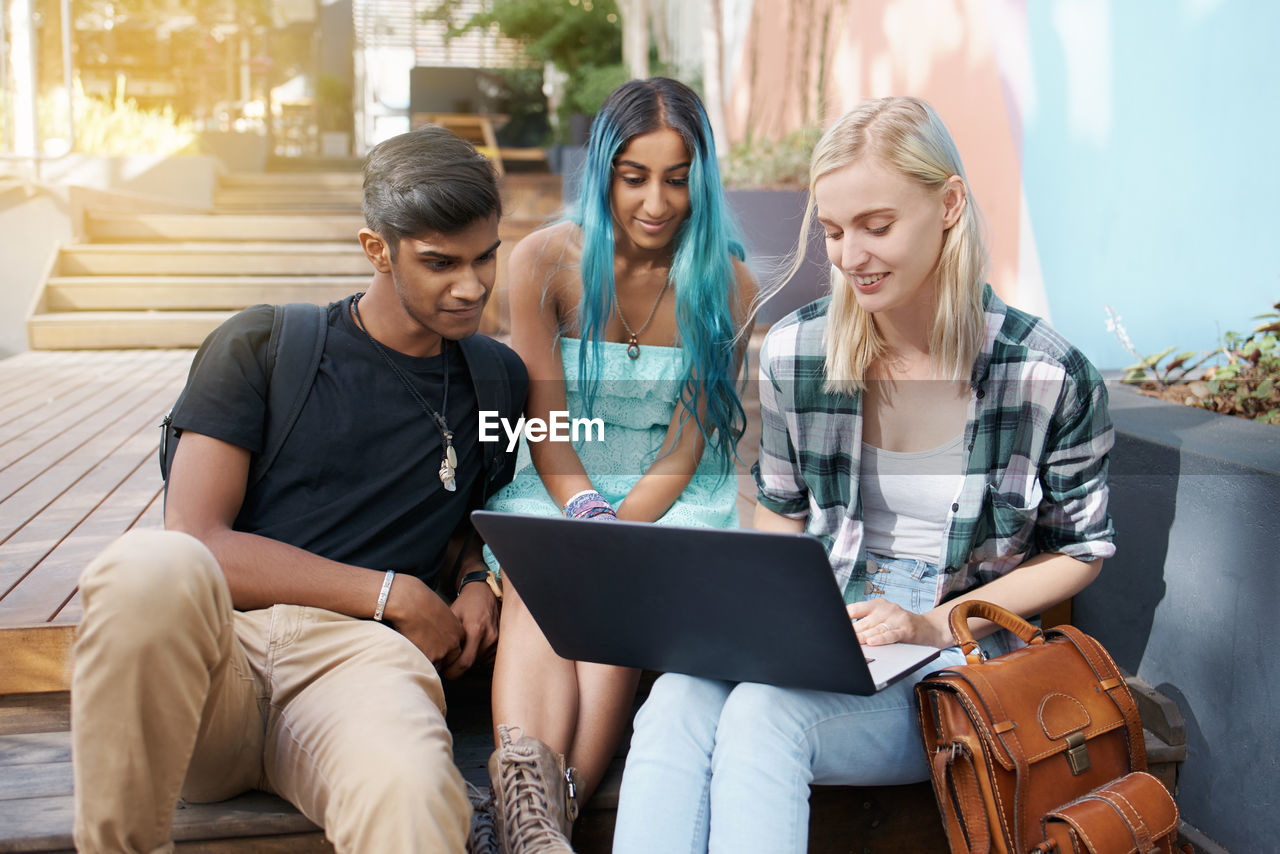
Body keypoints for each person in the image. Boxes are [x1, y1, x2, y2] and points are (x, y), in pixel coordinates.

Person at [612, 96, 1116, 854]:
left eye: (877, 226)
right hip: (826, 626)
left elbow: (1081, 549)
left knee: (760, 717)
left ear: (948, 205)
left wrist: (932, 624)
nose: (851, 256)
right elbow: (780, 514)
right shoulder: (798, 350)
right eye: (834, 231)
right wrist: (756, 620)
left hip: (956, 661)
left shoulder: (1044, 373)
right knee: (676, 699)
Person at [70, 125, 528, 854]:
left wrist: (475, 573)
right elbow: (198, 541)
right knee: (146, 566)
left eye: (485, 258)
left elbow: (490, 506)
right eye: (441, 263)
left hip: (360, 671)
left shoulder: (496, 379)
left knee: (411, 794)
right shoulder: (263, 346)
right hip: (219, 659)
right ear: (376, 248)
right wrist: (395, 593)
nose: (471, 286)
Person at [479, 77, 756, 853]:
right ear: (604, 171)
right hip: (562, 480)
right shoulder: (543, 261)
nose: (657, 202)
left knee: (615, 591)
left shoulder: (729, 284)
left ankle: (538, 813)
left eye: (677, 178)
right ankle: (539, 811)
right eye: (635, 177)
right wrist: (586, 515)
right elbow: (548, 422)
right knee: (544, 582)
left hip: (670, 498)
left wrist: (619, 528)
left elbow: (687, 444)